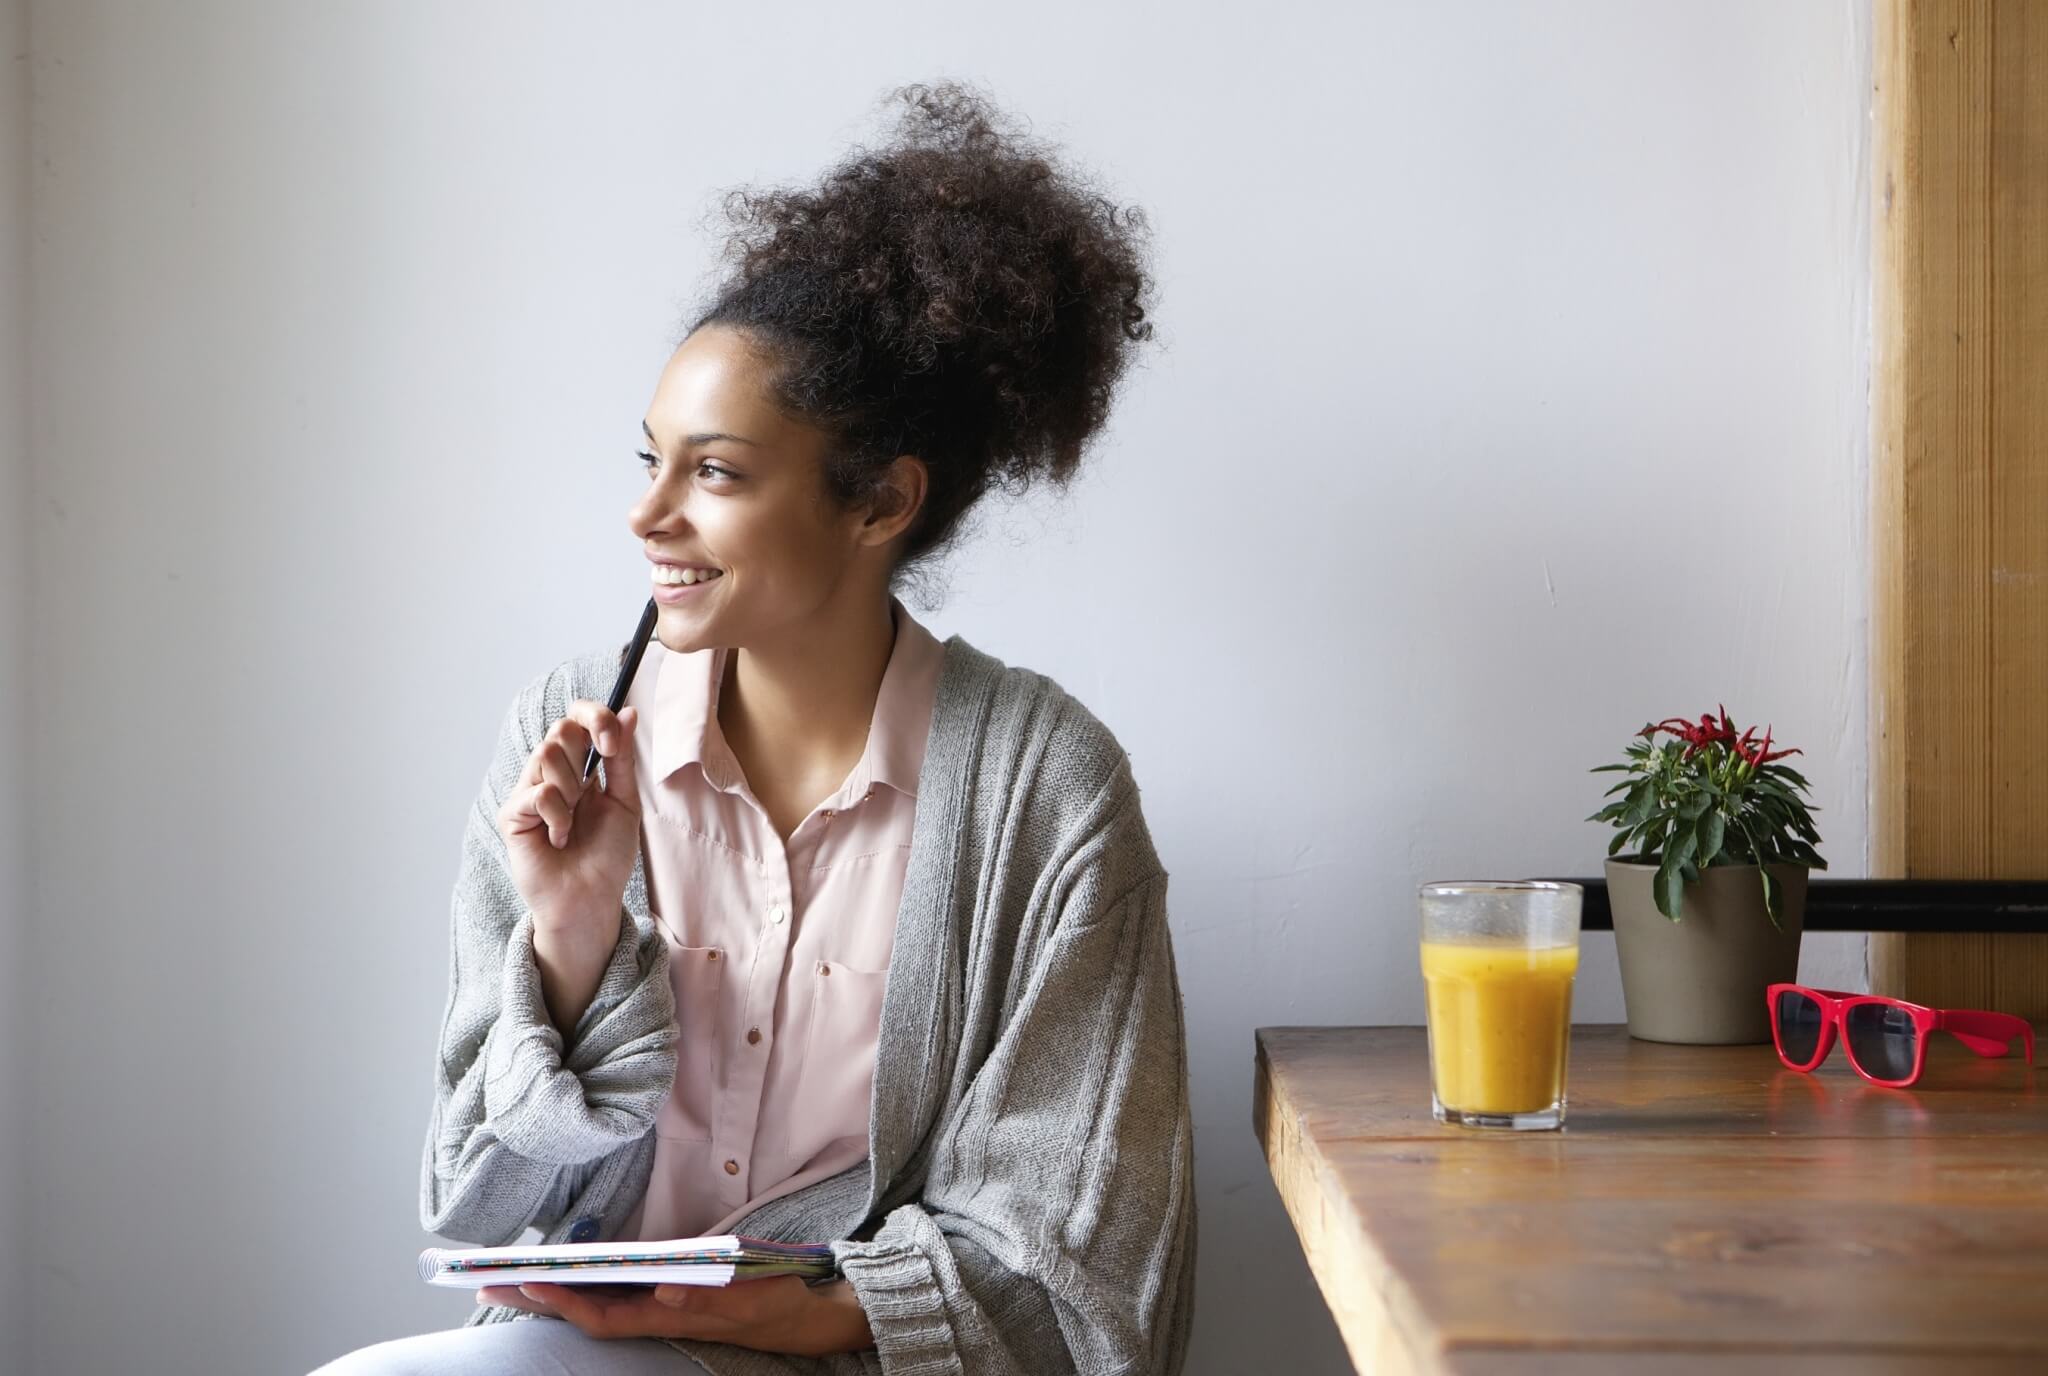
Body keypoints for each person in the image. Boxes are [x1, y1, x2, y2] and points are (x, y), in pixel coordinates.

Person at [312, 79, 1194, 1376]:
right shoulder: (563, 746)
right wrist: (570, 940)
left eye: (714, 472)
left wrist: (827, 1314)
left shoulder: (1047, 791)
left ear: (881, 500)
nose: (648, 514)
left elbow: (1087, 1253)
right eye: (649, 460)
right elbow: (470, 1202)